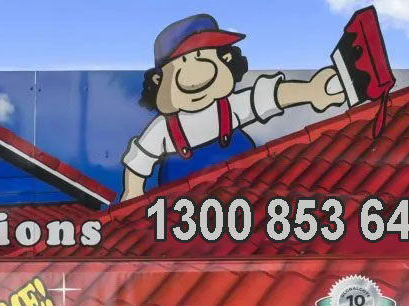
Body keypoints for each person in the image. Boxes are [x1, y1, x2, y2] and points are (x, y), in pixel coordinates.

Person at [120, 14, 345, 199]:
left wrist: (312, 91)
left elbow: (269, 96)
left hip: (247, 199)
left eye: (200, 55)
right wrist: (132, 194)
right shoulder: (163, 130)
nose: (195, 73)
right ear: (158, 81)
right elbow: (140, 160)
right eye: (183, 61)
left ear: (225, 60)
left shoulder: (232, 107)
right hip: (183, 215)